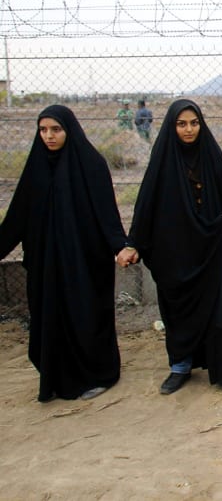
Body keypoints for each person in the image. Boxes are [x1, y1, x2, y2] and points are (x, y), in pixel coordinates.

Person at [0, 105, 128, 402]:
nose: (49, 136)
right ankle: (57, 378)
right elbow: (17, 218)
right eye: (43, 130)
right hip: (47, 264)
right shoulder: (36, 168)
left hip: (85, 262)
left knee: (86, 317)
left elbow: (107, 213)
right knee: (50, 319)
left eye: (55, 129)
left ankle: (99, 375)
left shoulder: (91, 164)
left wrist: (120, 246)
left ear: (69, 130)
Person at [118, 99, 222, 394]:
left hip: (212, 246)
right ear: (172, 127)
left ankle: (221, 368)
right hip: (174, 251)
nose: (189, 130)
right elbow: (145, 205)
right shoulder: (162, 161)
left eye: (194, 123)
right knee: (178, 310)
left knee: (218, 307)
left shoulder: (210, 155)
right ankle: (180, 367)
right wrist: (133, 243)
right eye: (182, 124)